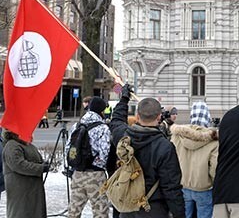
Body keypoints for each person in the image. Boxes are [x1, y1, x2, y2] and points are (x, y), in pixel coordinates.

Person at [109, 84, 185, 218]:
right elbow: (171, 188)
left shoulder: (123, 137)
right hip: (153, 209)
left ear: (137, 116)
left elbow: (116, 120)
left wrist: (124, 99)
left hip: (127, 208)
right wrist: (180, 214)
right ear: (159, 117)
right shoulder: (165, 147)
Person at [66, 96, 111, 218]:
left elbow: (68, 148)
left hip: (77, 173)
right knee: (100, 211)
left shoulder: (76, 125)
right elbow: (104, 153)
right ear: (101, 111)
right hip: (95, 175)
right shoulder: (103, 128)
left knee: (74, 210)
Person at [171, 101, 218, 218]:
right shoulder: (213, 140)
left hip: (183, 186)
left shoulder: (178, 136)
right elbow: (214, 167)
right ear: (207, 116)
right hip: (204, 188)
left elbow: (171, 161)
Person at [2, 129, 50, 218]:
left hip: (32, 189)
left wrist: (43, 164)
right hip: (21, 190)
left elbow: (35, 159)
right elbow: (18, 165)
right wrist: (40, 168)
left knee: (34, 213)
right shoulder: (12, 145)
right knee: (22, 213)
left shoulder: (28, 145)